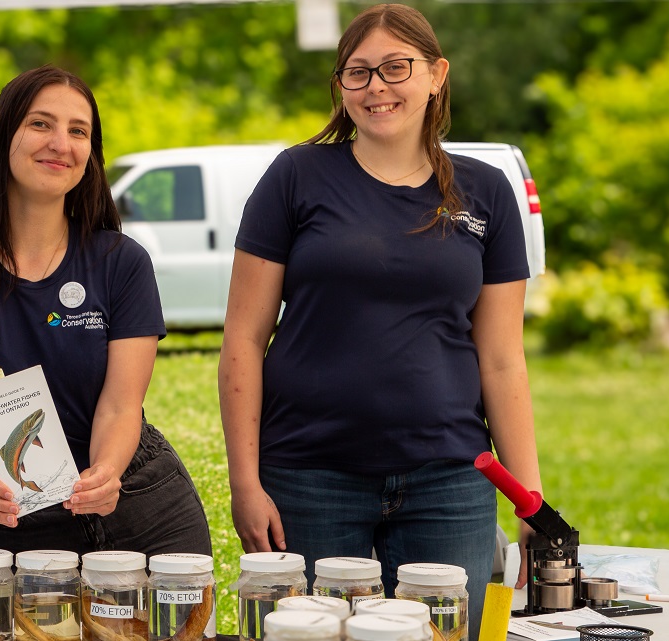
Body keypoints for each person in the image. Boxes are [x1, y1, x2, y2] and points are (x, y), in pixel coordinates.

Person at [218, 5, 541, 640]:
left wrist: (529, 498)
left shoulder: (488, 193)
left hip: (449, 480)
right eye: (358, 72)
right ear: (340, 86)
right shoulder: (297, 175)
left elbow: (502, 358)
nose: (377, 87)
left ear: (436, 75)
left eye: (397, 68)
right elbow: (243, 341)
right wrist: (245, 483)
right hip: (309, 477)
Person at [0, 65, 210, 556]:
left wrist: (105, 474)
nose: (60, 143)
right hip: (28, 514)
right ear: (6, 134)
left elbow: (120, 404)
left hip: (143, 502)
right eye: (40, 124)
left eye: (78, 131)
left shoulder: (121, 261)